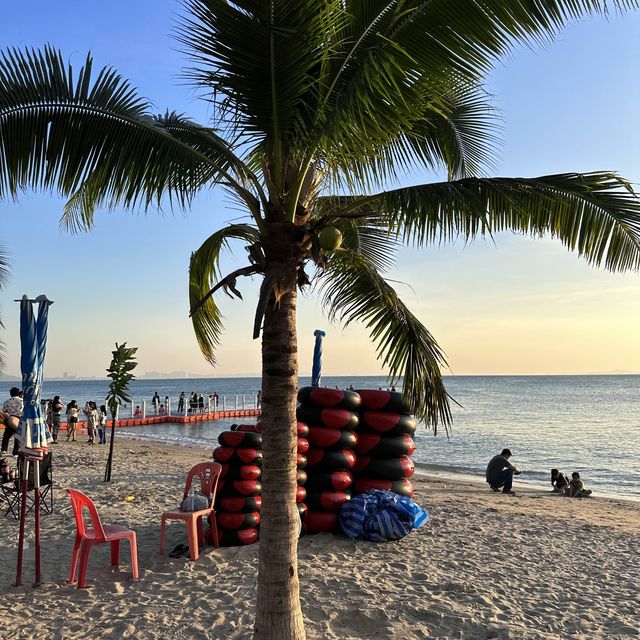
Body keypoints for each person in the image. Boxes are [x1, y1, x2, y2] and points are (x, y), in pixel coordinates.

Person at [1, 387, 23, 456]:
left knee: (6, 436)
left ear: (10, 394)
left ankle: (4, 450)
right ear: (18, 393)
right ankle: (15, 452)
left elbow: (4, 411)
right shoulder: (22, 401)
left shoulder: (7, 401)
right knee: (17, 435)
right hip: (19, 419)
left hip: (10, 419)